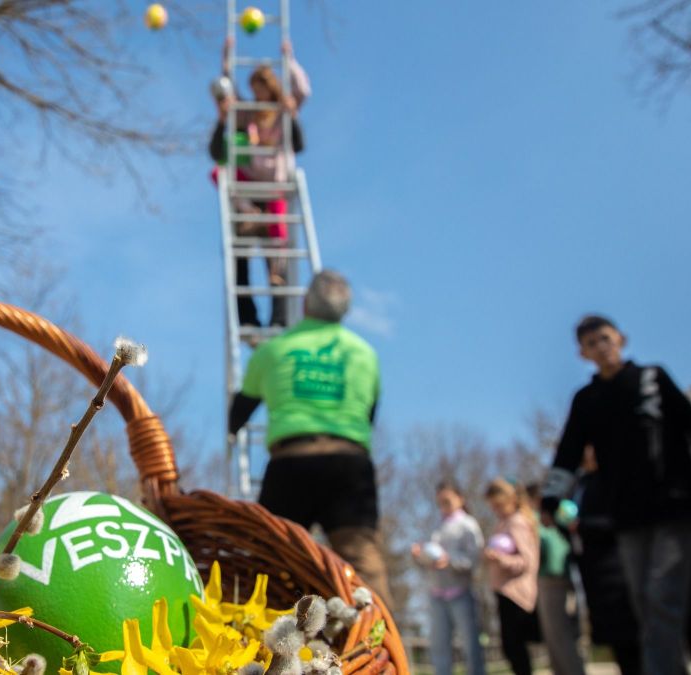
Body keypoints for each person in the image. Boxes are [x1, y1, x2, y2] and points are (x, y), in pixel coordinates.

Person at [541, 314, 691, 675]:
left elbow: (687, 424)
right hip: (626, 516)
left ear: (621, 339)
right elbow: (568, 451)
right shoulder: (587, 400)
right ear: (583, 353)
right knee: (642, 601)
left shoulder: (652, 380)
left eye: (605, 339)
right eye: (591, 343)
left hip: (672, 508)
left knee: (664, 594)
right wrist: (550, 498)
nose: (601, 348)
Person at [227, 270, 389, 602]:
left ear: (305, 304)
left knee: (274, 559)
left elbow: (241, 410)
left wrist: (232, 432)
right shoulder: (364, 354)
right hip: (350, 466)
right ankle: (382, 632)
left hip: (291, 465)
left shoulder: (273, 351)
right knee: (363, 563)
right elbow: (369, 415)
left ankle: (265, 628)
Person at [210, 37, 310, 329]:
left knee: (277, 255)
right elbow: (228, 98)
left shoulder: (282, 113)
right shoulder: (248, 114)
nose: (257, 95)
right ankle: (248, 319)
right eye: (254, 90)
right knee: (240, 253)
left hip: (273, 189)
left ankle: (279, 318)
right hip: (249, 190)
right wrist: (227, 63)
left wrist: (289, 60)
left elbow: (302, 90)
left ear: (271, 87)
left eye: (261, 89)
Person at [570, 445, 642, 675]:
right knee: (617, 642)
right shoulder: (579, 484)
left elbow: (620, 519)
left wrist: (583, 526)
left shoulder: (612, 477)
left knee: (633, 637)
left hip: (618, 568)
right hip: (593, 572)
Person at [412, 481, 486, 675]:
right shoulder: (437, 526)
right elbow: (431, 560)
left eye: (447, 501)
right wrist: (420, 556)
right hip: (437, 595)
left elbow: (474, 558)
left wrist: (450, 560)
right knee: (439, 648)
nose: (443, 506)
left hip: (460, 593)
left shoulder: (468, 524)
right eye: (440, 503)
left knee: (470, 645)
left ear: (460, 499)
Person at [526, 482, 585, 675]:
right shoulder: (544, 518)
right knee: (553, 638)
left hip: (555, 578)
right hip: (552, 577)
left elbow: (553, 550)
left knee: (560, 636)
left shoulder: (548, 518)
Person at [484, 478, 540, 675]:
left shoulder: (517, 522)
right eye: (493, 507)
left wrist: (501, 559)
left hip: (516, 593)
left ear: (511, 499)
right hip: (503, 591)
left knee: (514, 645)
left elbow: (528, 561)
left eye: (499, 505)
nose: (496, 510)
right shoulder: (503, 524)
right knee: (511, 646)